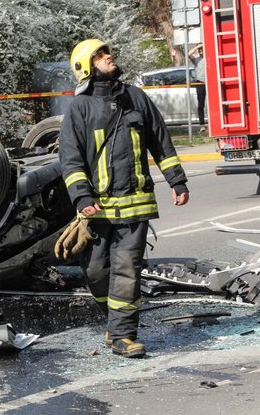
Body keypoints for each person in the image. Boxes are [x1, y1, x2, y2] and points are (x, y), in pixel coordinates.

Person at [59, 38, 190, 358]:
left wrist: (177, 180)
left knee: (127, 269)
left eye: (107, 53)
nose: (109, 57)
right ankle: (115, 323)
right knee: (96, 273)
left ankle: (122, 335)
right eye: (100, 56)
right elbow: (71, 159)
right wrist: (81, 197)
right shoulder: (79, 108)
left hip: (136, 204)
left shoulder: (136, 98)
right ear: (86, 67)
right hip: (97, 208)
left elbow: (161, 141)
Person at [189, 44, 207, 132]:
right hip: (200, 83)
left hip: (210, 83)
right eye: (199, 50)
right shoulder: (196, 60)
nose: (201, 51)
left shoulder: (209, 58)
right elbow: (189, 54)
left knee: (214, 104)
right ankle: (202, 125)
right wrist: (198, 46)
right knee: (201, 105)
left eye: (202, 49)